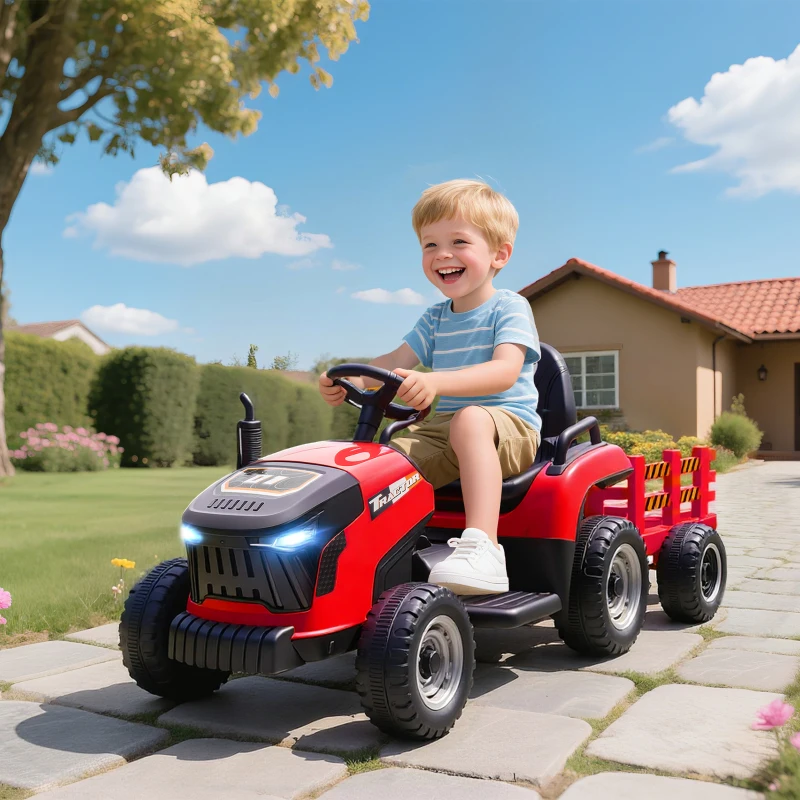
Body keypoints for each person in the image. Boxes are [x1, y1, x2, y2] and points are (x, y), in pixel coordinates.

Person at [319, 179, 541, 594]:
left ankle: (485, 548)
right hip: (446, 430)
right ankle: (373, 556)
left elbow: (504, 372)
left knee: (470, 420)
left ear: (499, 254)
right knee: (385, 463)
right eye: (430, 245)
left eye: (459, 241)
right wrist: (351, 378)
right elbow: (393, 362)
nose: (442, 254)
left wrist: (435, 381)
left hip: (509, 428)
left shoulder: (509, 307)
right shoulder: (435, 318)